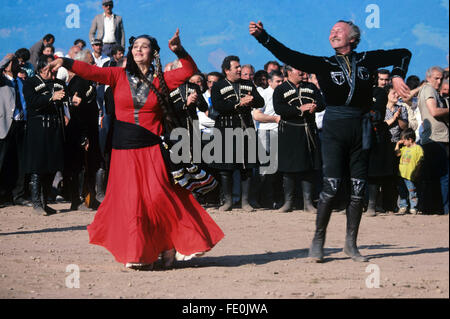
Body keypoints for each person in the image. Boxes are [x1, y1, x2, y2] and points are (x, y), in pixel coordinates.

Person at [45, 29, 224, 270]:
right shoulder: (117, 75)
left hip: (151, 148)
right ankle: (140, 253)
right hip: (123, 149)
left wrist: (179, 50)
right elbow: (91, 71)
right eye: (135, 46)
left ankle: (170, 245)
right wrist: (65, 61)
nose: (138, 49)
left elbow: (189, 71)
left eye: (145, 46)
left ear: (153, 53)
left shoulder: (163, 79)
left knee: (158, 197)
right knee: (132, 203)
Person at [250, 19, 411, 262]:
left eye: (339, 30)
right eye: (331, 31)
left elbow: (404, 54)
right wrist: (263, 36)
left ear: (353, 38)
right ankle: (318, 240)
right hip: (335, 126)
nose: (333, 33)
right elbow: (287, 54)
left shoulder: (368, 59)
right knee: (332, 186)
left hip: (361, 127)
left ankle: (351, 244)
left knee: (358, 187)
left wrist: (398, 76)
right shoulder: (323, 64)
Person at [210, 55, 264, 211]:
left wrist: (251, 100)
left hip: (246, 128)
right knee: (226, 168)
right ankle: (228, 201)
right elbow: (218, 106)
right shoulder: (218, 86)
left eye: (239, 66)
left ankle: (245, 202)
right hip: (225, 129)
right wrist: (238, 103)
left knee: (246, 167)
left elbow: (261, 102)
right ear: (227, 70)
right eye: (236, 67)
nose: (240, 69)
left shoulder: (248, 84)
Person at [273, 66, 324, 213]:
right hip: (289, 130)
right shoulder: (281, 89)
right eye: (298, 71)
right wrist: (299, 109)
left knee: (309, 166)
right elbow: (279, 109)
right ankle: (288, 202)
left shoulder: (311, 86)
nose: (302, 73)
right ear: (289, 72)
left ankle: (308, 203)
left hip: (308, 130)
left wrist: (315, 107)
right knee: (288, 167)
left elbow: (322, 103)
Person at [22, 55, 68, 215]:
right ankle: (36, 203)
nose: (51, 71)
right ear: (41, 68)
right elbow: (32, 101)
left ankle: (45, 201)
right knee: (38, 165)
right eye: (48, 68)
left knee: (52, 165)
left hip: (54, 126)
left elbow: (64, 101)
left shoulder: (57, 84)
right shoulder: (30, 83)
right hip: (38, 128)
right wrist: (50, 97)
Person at [417, 66, 449, 215]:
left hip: (435, 137)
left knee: (434, 176)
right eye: (436, 78)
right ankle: (441, 208)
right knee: (442, 176)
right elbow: (434, 111)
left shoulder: (433, 92)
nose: (439, 81)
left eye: (441, 78)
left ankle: (432, 208)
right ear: (428, 77)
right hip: (436, 138)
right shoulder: (429, 89)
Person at [0, 54, 29, 207]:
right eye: (14, 62)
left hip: (21, 124)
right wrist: (5, 60)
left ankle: (18, 195)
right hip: (5, 125)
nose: (17, 64)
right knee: (3, 161)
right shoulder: (2, 80)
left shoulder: (21, 82)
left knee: (19, 163)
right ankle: (2, 196)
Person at [252, 70, 283, 209]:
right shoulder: (263, 95)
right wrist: (275, 119)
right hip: (266, 133)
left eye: (282, 81)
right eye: (278, 81)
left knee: (278, 169)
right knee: (265, 169)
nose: (281, 84)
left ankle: (274, 199)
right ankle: (260, 199)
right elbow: (257, 115)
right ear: (269, 82)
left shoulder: (284, 95)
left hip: (281, 133)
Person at [395, 128, 424, 215]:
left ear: (410, 139)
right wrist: (397, 144)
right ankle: (403, 206)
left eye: (404, 140)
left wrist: (417, 172)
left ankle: (413, 207)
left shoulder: (418, 148)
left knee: (412, 191)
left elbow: (420, 161)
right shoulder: (404, 148)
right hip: (401, 175)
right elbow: (397, 154)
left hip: (410, 176)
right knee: (402, 192)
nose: (402, 141)